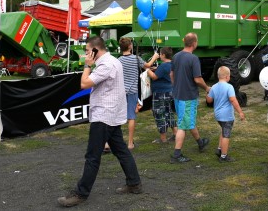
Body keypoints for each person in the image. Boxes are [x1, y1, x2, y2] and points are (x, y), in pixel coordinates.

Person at [57, 36, 141, 207]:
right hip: (111, 114)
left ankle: (81, 193)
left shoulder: (106, 64)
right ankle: (134, 183)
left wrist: (87, 65)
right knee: (121, 151)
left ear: (95, 50)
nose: (86, 55)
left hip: (104, 115)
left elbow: (84, 83)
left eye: (88, 51)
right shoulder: (113, 60)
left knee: (92, 156)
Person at [170, 32, 211, 163]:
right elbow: (197, 79)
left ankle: (200, 142)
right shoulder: (193, 59)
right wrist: (206, 88)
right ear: (194, 44)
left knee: (188, 119)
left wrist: (176, 85)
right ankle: (176, 155)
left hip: (177, 95)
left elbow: (171, 74)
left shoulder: (176, 56)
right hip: (188, 96)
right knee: (183, 125)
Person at [205, 65, 246, 162]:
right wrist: (240, 112)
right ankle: (224, 156)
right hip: (227, 116)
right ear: (227, 77)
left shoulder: (214, 87)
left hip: (218, 115)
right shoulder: (229, 87)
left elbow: (209, 100)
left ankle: (219, 149)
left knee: (223, 131)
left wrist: (208, 92)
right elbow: (233, 100)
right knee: (226, 135)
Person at [146, 47, 178, 144]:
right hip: (170, 92)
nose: (159, 55)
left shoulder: (163, 66)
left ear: (163, 55)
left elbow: (154, 77)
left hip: (160, 93)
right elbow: (164, 72)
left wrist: (147, 70)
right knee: (169, 112)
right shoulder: (172, 64)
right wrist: (156, 68)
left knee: (159, 113)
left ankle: (163, 138)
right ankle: (176, 134)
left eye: (160, 54)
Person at [117, 37, 144, 150]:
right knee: (131, 117)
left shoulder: (118, 60)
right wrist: (156, 57)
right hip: (132, 92)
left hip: (121, 91)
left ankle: (110, 142)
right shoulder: (136, 59)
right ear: (130, 46)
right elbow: (147, 66)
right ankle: (130, 143)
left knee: (116, 117)